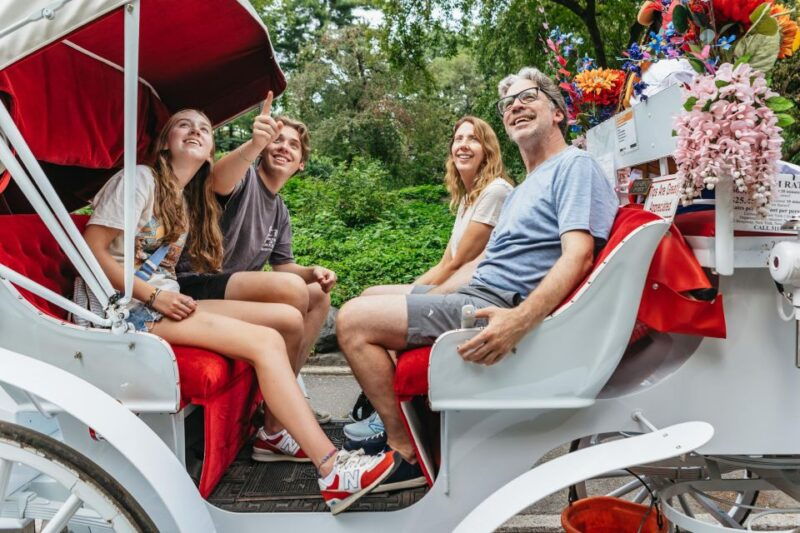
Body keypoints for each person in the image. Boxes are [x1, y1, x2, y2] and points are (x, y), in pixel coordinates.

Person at [76, 109, 397, 514]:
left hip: (164, 298)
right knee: (265, 339)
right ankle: (332, 468)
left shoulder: (183, 196)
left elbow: (176, 269)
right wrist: (153, 297)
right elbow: (91, 249)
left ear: (210, 149)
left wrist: (311, 273)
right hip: (126, 311)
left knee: (288, 319)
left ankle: (275, 431)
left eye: (205, 129)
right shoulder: (141, 180)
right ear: (163, 142)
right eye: (184, 125)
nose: (195, 131)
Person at [336, 67, 618, 491]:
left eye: (528, 98)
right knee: (369, 302)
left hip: (495, 305)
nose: (516, 107)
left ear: (557, 113)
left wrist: (519, 320)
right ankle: (404, 428)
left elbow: (577, 257)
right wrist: (426, 293)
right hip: (476, 292)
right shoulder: (526, 185)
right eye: (508, 104)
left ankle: (404, 452)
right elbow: (480, 261)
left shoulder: (573, 166)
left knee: (353, 321)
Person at [344, 116, 514, 451]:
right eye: (458, 138)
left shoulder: (496, 191)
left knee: (364, 314)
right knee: (369, 295)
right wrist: (412, 287)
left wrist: (419, 295)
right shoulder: (469, 196)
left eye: (473, 139)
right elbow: (444, 260)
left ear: (488, 150)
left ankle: (392, 425)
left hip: (471, 288)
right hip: (459, 282)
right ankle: (389, 405)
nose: (463, 144)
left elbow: (458, 264)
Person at [176, 94, 335, 422]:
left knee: (317, 294)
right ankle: (282, 418)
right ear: (264, 149)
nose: (283, 147)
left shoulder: (280, 212)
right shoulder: (244, 178)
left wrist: (312, 270)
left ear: (301, 163)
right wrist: (253, 143)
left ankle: (283, 400)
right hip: (195, 283)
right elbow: (217, 180)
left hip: (232, 293)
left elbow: (284, 266)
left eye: (293, 145)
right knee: (293, 290)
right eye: (277, 140)